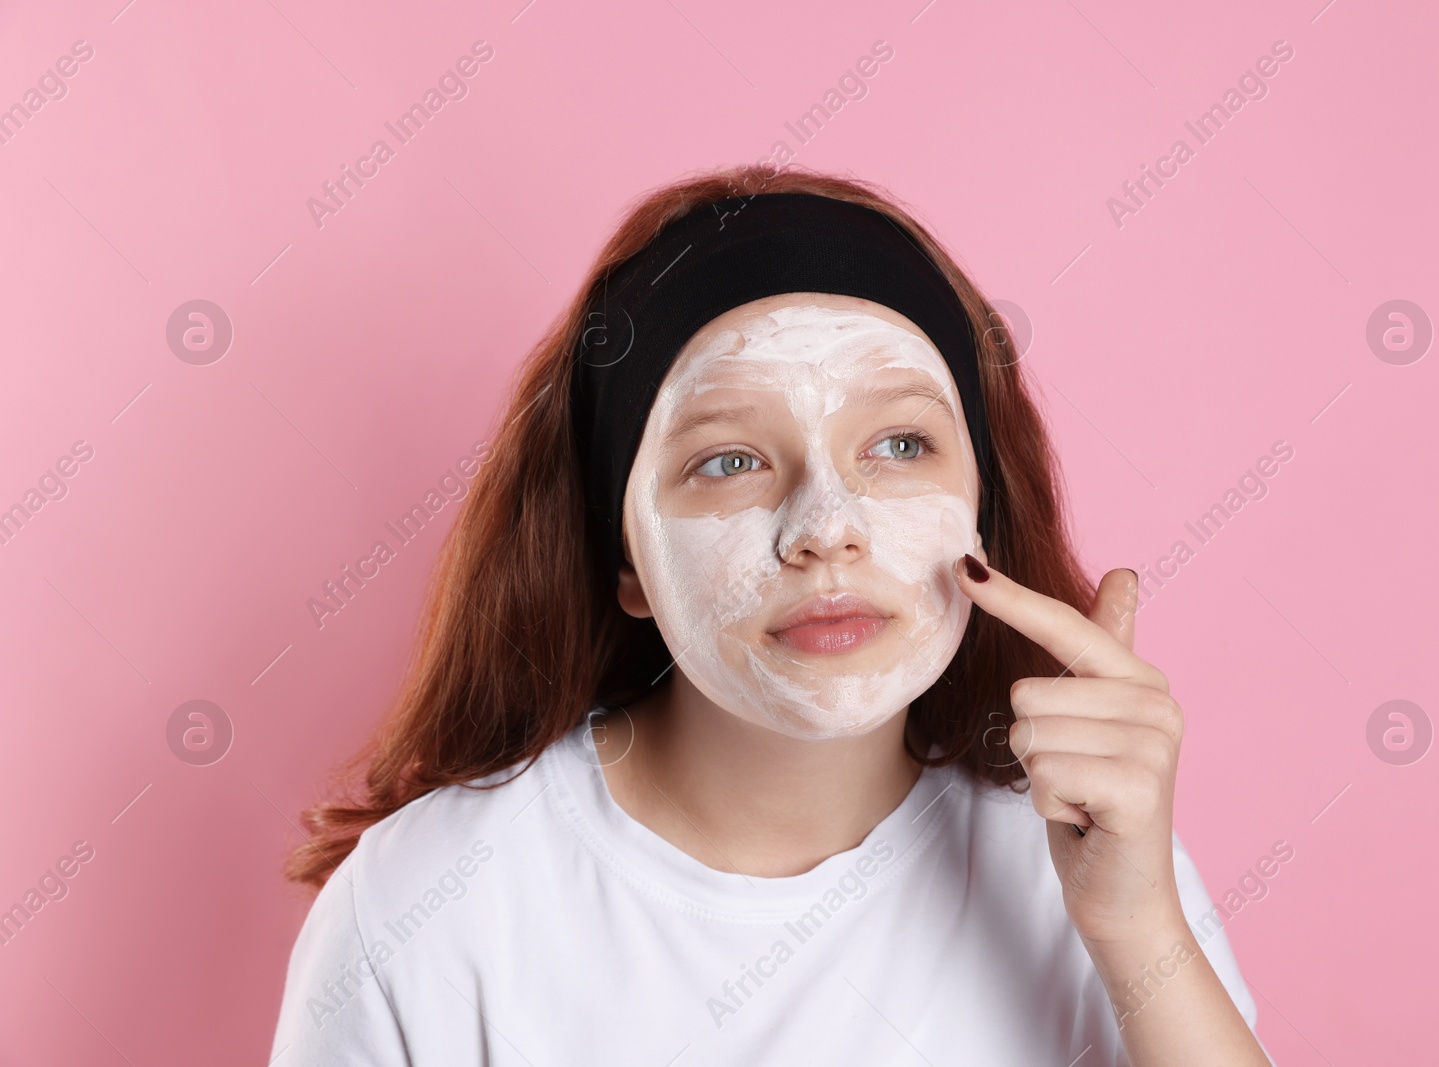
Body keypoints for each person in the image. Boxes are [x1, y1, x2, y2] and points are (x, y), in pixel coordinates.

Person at [269, 166, 1274, 1066]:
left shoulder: (1088, 864)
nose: (826, 528)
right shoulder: (428, 906)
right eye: (728, 460)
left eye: (899, 444)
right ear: (625, 558)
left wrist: (1139, 926)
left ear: (982, 506)